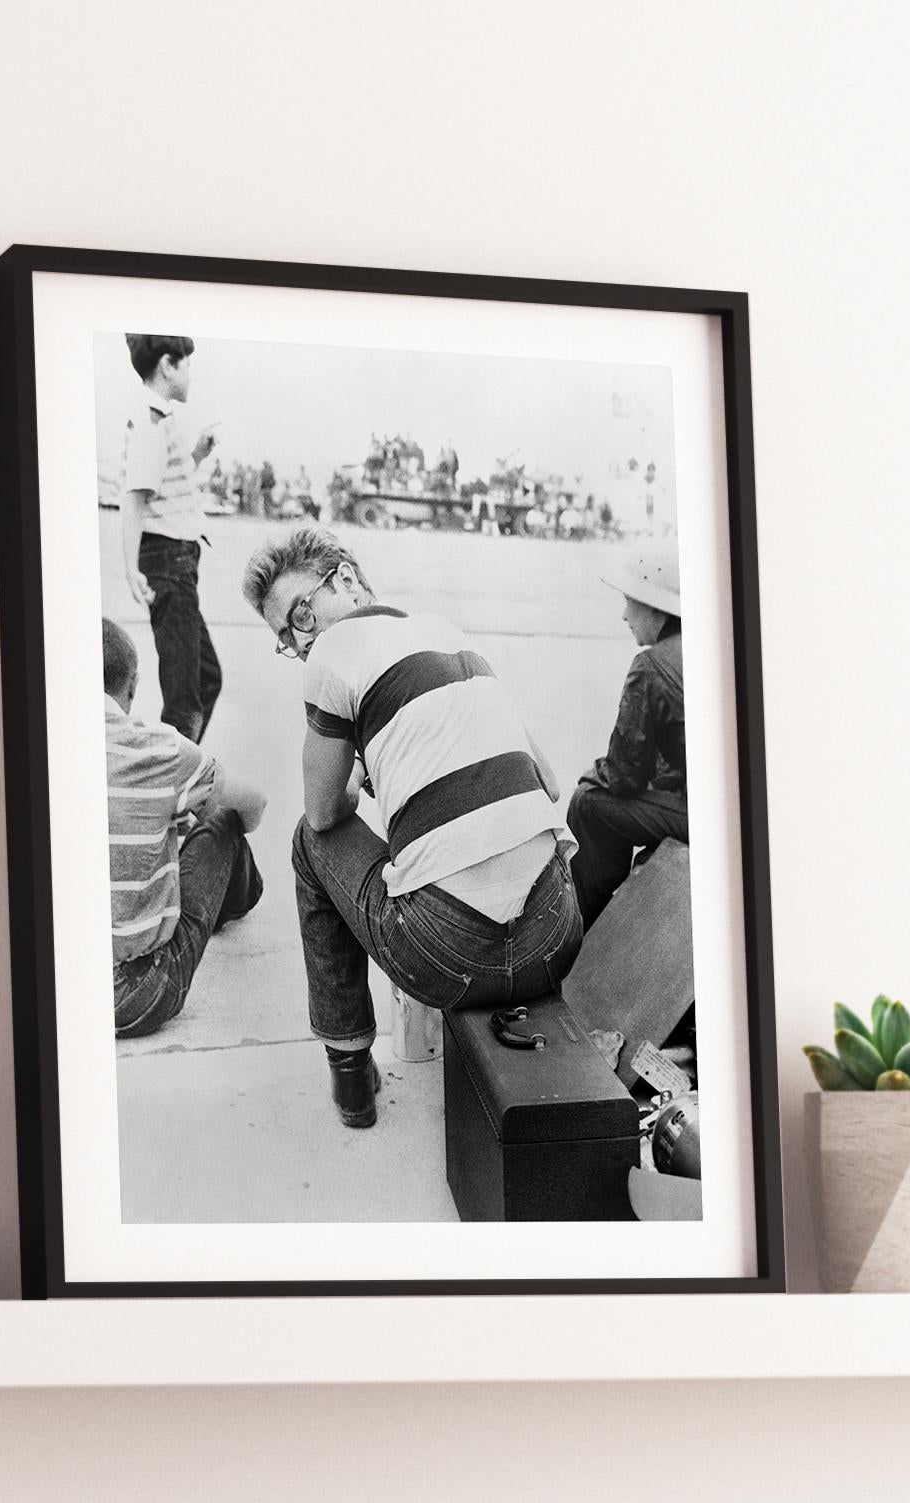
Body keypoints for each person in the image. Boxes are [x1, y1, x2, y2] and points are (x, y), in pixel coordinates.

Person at [240, 525, 581, 1131]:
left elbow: (323, 814)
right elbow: (549, 784)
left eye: (301, 615)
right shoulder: (451, 635)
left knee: (306, 842)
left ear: (344, 578)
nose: (300, 641)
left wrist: (364, 770)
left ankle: (349, 1069)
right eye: (287, 638)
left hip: (448, 958)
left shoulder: (332, 654)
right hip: (554, 940)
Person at [103, 618, 263, 1040]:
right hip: (135, 994)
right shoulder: (160, 750)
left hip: (57, 994)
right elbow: (255, 803)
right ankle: (236, 901)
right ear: (132, 686)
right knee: (223, 820)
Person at [565, 540, 687, 935]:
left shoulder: (650, 667)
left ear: (655, 606)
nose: (624, 615)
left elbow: (624, 775)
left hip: (708, 816)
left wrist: (592, 774)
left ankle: (584, 926)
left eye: (630, 601)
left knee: (589, 802)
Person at [118, 333, 222, 741]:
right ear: (167, 365)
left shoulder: (161, 419)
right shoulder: (150, 424)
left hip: (177, 563)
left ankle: (179, 777)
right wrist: (131, 570)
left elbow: (161, 487)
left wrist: (196, 455)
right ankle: (174, 795)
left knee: (205, 678)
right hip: (168, 564)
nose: (190, 373)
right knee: (184, 700)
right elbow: (135, 499)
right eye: (187, 364)